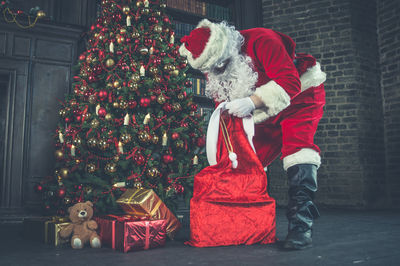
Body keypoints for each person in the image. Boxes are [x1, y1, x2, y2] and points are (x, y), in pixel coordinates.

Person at [179, 19, 326, 250]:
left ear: (225, 48)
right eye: (211, 69)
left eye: (218, 65)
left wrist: (250, 101)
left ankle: (301, 225)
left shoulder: (263, 40)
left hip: (300, 97)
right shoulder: (214, 64)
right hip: (262, 110)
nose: (215, 72)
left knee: (298, 151)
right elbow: (224, 105)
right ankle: (248, 222)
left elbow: (290, 82)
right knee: (247, 157)